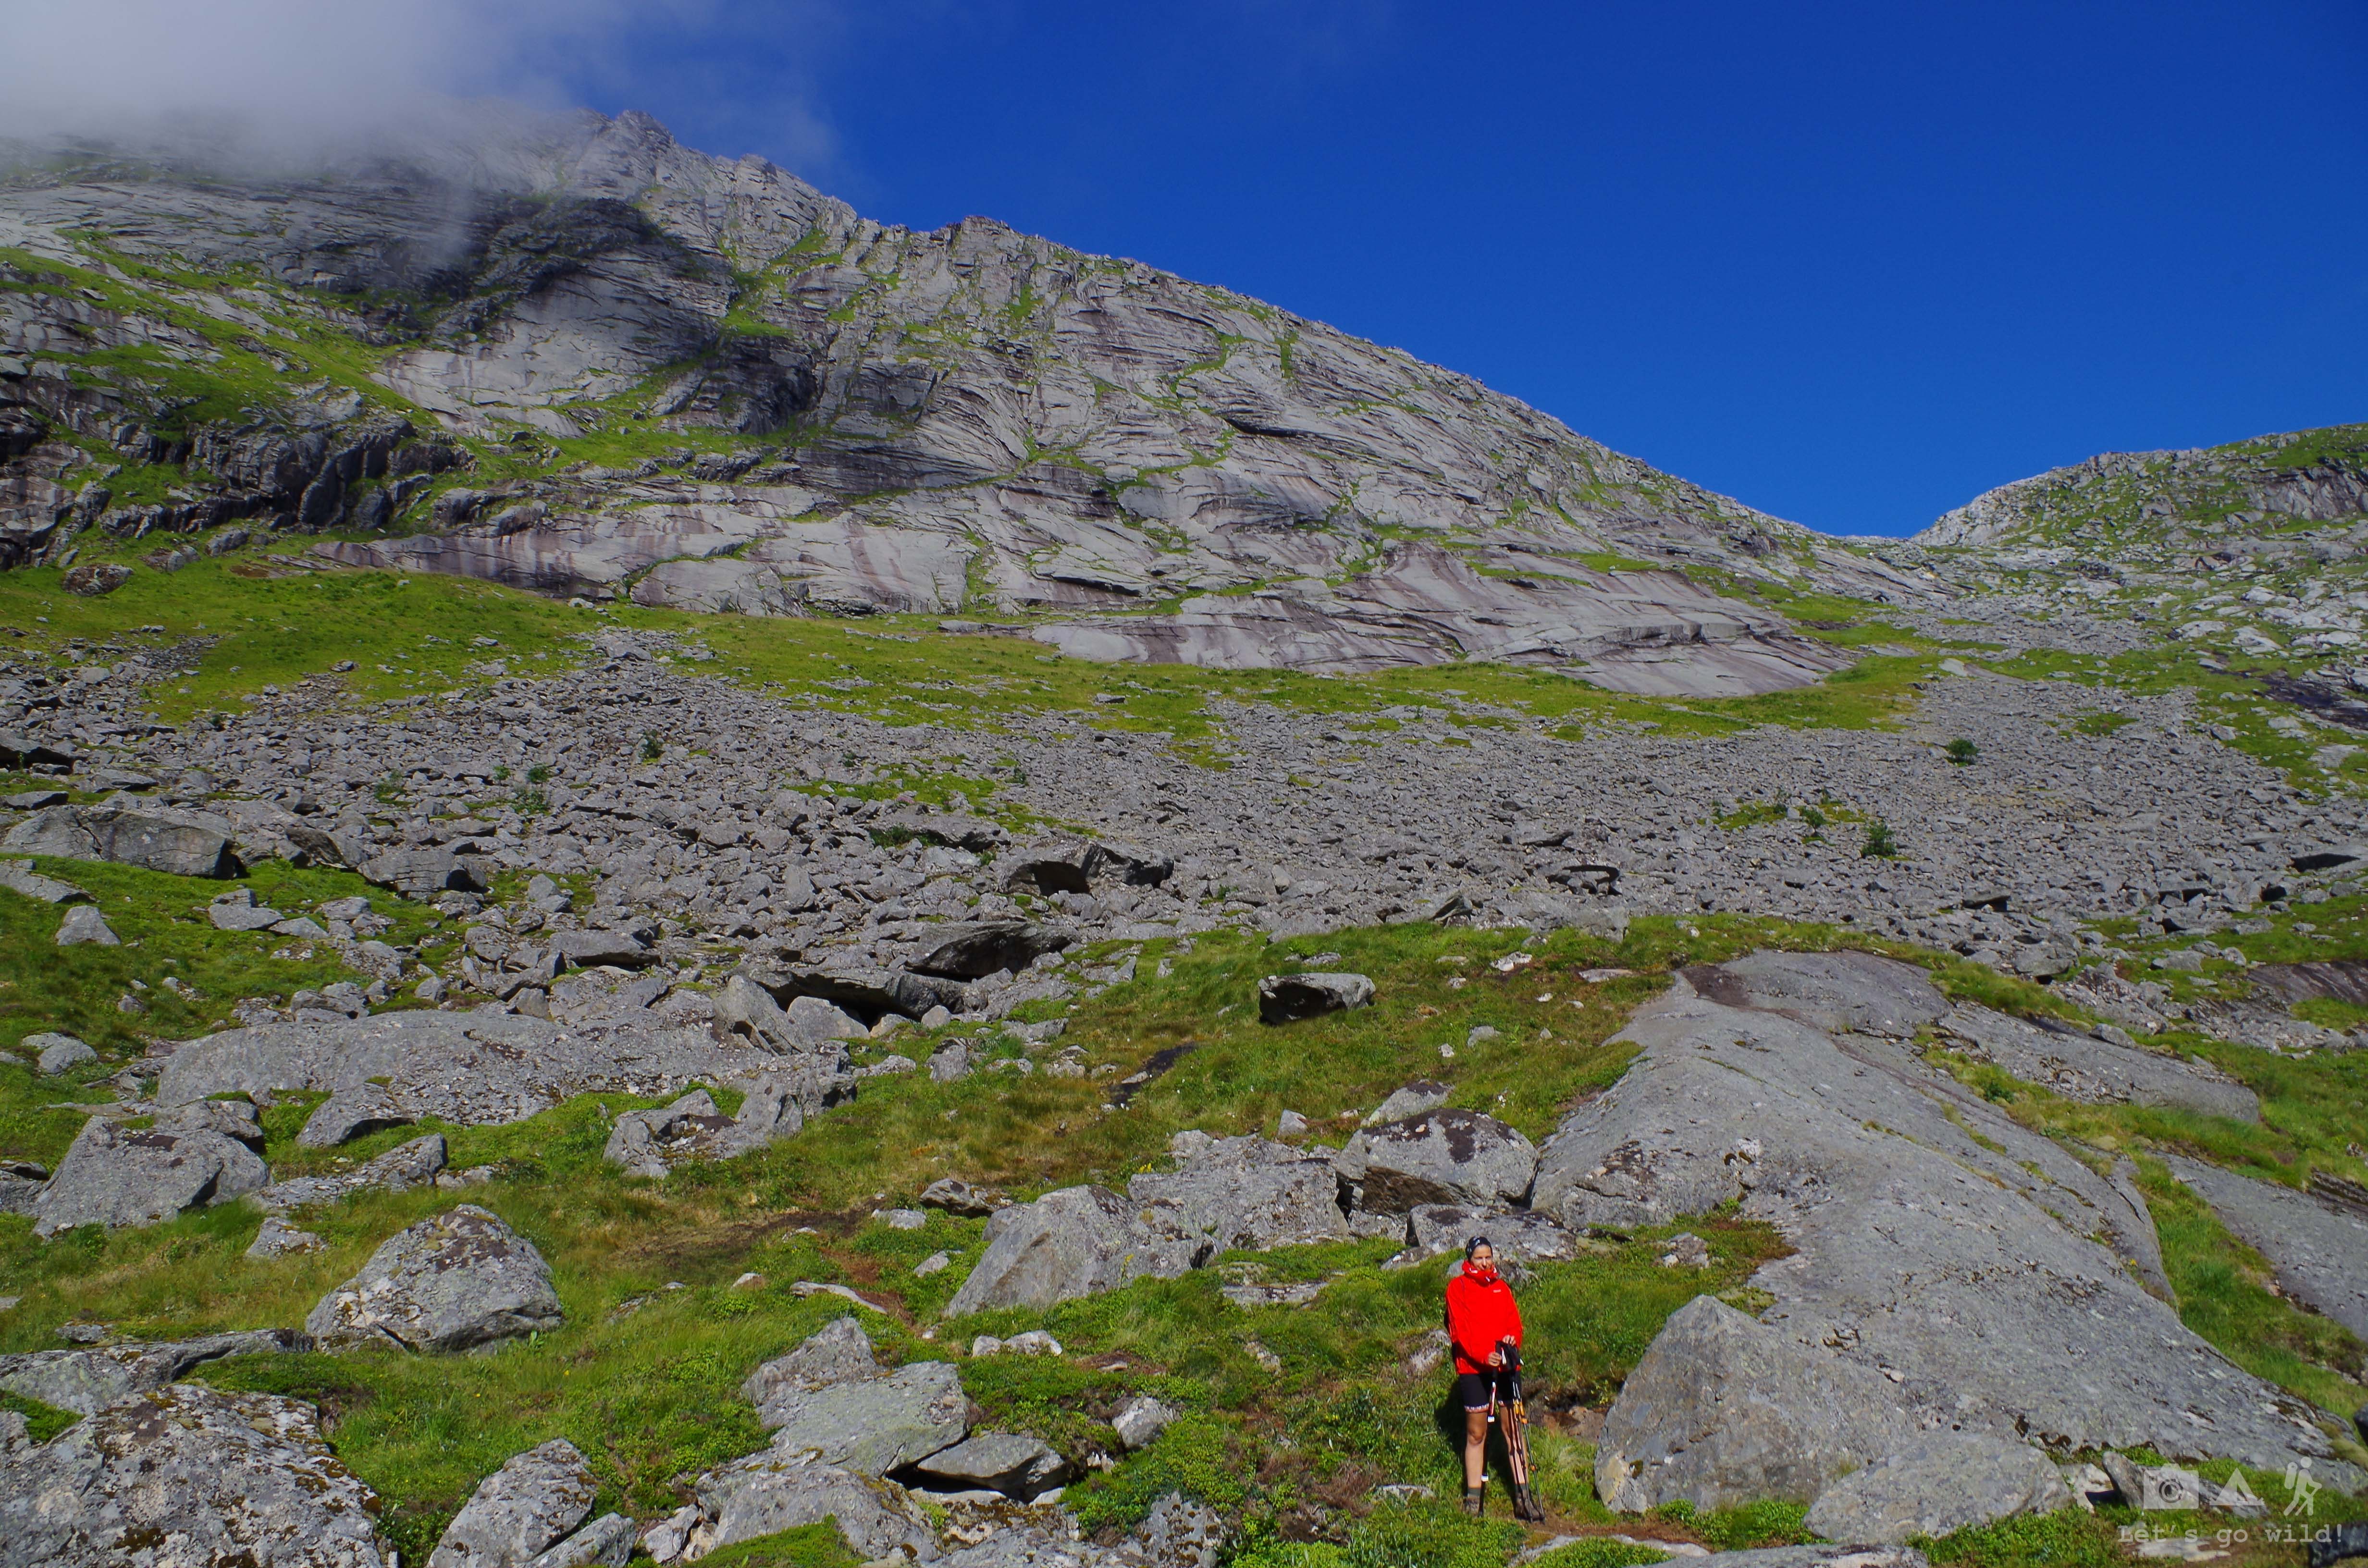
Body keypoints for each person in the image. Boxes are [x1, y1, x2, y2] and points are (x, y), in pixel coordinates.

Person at [1445, 1235, 1524, 1517]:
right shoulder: (1458, 1288)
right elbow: (1460, 1332)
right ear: (1469, 1260)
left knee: (1513, 1430)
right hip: (1473, 1369)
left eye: (1488, 1257)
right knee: (1476, 1433)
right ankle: (1473, 1500)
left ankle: (1523, 1496)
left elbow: (1515, 1324)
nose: (1485, 1262)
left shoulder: (1502, 1288)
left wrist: (1512, 1340)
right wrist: (1483, 1355)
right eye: (1479, 1258)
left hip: (1505, 1367)